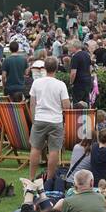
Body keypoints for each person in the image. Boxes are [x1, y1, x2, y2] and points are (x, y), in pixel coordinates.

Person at [28, 57, 72, 186]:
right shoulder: (60, 84)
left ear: (44, 68)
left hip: (40, 118)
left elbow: (32, 103)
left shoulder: (37, 83)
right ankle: (49, 179)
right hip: (55, 120)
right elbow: (66, 106)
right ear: (57, 68)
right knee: (54, 150)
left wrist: (33, 119)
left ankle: (31, 179)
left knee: (35, 148)